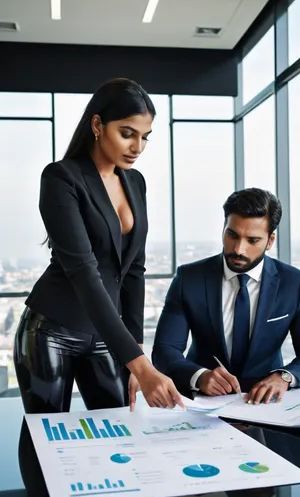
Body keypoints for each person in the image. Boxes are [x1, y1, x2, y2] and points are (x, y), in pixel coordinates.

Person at [13, 78, 183, 418]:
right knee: (48, 439)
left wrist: (135, 347)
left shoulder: (135, 182)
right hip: (52, 331)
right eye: (127, 133)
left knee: (120, 430)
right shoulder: (61, 178)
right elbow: (84, 273)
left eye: (145, 137)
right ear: (97, 125)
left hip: (106, 334)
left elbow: (134, 268)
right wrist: (142, 368)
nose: (138, 147)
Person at [152, 188, 300, 402]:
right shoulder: (189, 278)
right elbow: (164, 351)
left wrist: (284, 378)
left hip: (268, 404)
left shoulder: (294, 283)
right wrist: (199, 376)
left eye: (252, 240)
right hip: (205, 402)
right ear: (223, 229)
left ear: (270, 241)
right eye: (232, 235)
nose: (239, 249)